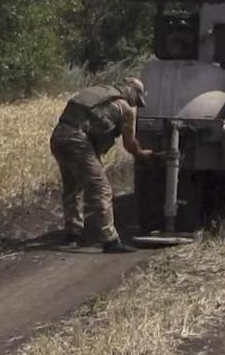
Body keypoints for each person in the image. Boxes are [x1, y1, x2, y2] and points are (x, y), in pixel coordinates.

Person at [50, 77, 153, 253]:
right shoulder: (125, 108)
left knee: (72, 185)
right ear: (132, 91)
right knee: (101, 189)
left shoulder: (96, 93)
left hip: (58, 137)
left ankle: (72, 234)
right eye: (137, 99)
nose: (135, 104)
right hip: (78, 142)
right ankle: (110, 240)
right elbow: (129, 144)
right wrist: (141, 154)